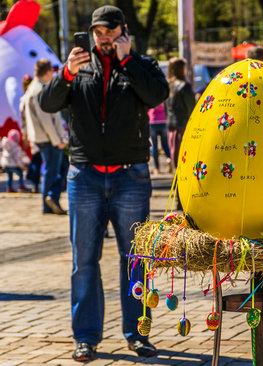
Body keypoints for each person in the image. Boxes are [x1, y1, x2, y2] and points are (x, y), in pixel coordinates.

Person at [38, 5, 169, 362]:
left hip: (130, 177)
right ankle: (86, 337)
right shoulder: (78, 68)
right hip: (86, 177)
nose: (105, 38)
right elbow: (46, 102)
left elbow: (157, 95)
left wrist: (128, 62)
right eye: (99, 32)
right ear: (92, 34)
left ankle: (138, 335)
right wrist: (66, 73)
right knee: (84, 261)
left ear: (123, 31)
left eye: (111, 31)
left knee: (135, 259)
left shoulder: (143, 65)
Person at [21, 59, 68, 214]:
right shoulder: (39, 90)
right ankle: (50, 200)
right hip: (49, 138)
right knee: (54, 171)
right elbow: (46, 120)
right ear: (47, 72)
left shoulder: (33, 88)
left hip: (42, 137)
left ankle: (48, 201)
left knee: (51, 170)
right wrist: (58, 141)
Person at [165, 58, 195, 171]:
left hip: (171, 126)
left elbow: (165, 109)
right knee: (185, 160)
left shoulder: (168, 85)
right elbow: (192, 109)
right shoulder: (184, 86)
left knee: (175, 158)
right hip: (184, 127)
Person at [148, 104, 172, 175]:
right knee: (165, 145)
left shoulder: (149, 96)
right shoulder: (161, 94)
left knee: (154, 147)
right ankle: (170, 161)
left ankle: (157, 168)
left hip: (153, 121)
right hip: (163, 121)